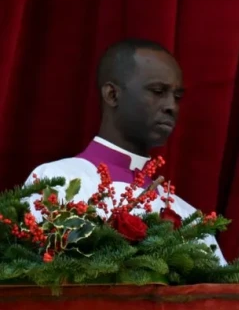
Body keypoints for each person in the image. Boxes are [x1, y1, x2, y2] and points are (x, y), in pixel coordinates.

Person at [25, 38, 225, 264]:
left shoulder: (187, 215)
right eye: (158, 91)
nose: (171, 106)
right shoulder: (56, 181)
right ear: (112, 95)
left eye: (177, 96)